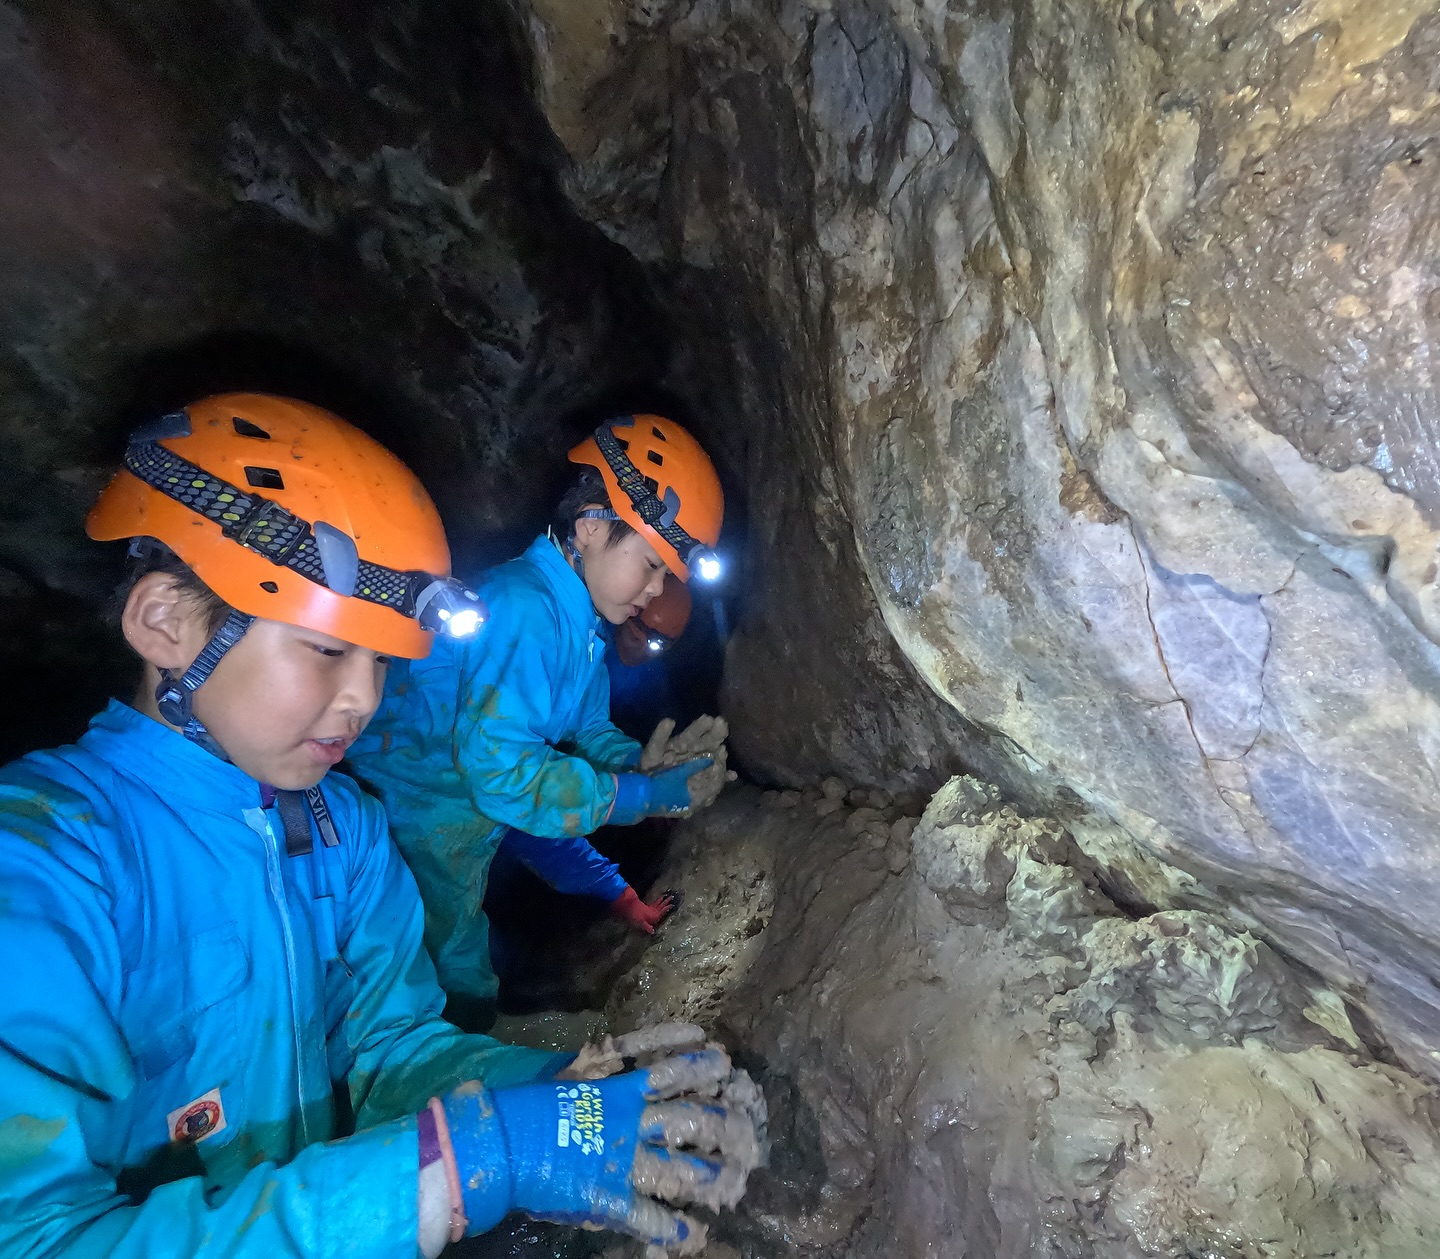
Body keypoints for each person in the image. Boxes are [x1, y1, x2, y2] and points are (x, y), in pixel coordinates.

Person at [0, 394, 751, 1257]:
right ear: (165, 621)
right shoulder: (44, 867)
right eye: (327, 649)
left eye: (381, 659)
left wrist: (551, 1093)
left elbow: (391, 1053)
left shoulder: (344, 832)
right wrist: (459, 1164)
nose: (364, 699)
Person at [349, 413, 725, 1016]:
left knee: (467, 992)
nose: (656, 590)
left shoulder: (578, 630)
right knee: (423, 1010)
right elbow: (501, 775)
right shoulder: (527, 608)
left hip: (449, 857)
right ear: (592, 526)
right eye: (652, 564)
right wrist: (635, 797)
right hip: (397, 847)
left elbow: (588, 731)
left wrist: (645, 763)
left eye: (668, 575)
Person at [606, 572, 690, 736]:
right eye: (637, 624)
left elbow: (665, 722)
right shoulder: (593, 638)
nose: (638, 639)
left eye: (656, 639)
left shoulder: (653, 680)